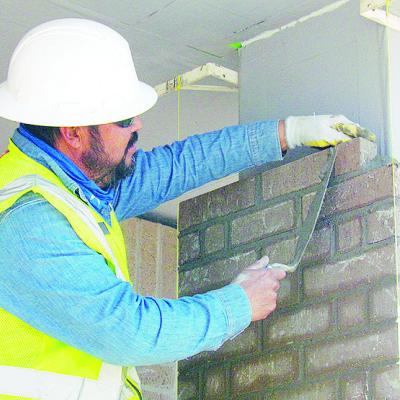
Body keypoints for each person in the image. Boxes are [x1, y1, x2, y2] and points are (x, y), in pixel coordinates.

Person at [0, 18, 365, 400]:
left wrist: (290, 132)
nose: (138, 124)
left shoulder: (70, 184)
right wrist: (238, 304)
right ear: (73, 132)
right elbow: (130, 331)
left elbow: (179, 166)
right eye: (124, 118)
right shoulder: (28, 219)